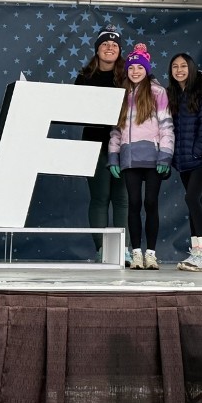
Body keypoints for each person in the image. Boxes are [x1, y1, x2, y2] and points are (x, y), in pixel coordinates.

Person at [108, 43, 174, 270]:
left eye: (139, 67)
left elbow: (166, 126)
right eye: (131, 67)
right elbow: (116, 130)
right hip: (129, 158)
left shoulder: (158, 92)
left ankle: (151, 254)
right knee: (134, 203)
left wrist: (165, 156)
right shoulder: (122, 94)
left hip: (153, 158)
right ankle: (136, 253)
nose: (135, 71)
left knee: (150, 203)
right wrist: (114, 157)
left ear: (146, 69)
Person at [75, 26, 127, 252]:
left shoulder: (128, 75)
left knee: (122, 198)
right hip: (94, 144)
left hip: (124, 145)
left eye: (114, 45)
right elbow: (75, 110)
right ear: (97, 49)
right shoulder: (84, 77)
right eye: (105, 44)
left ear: (120, 50)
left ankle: (123, 250)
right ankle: (101, 250)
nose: (109, 48)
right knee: (100, 197)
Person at [166, 53, 202, 271]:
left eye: (183, 66)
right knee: (194, 202)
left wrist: (197, 150)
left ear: (191, 68)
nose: (179, 70)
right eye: (175, 67)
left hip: (200, 157)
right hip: (182, 159)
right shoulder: (173, 93)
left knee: (192, 198)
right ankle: (197, 252)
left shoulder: (200, 89)